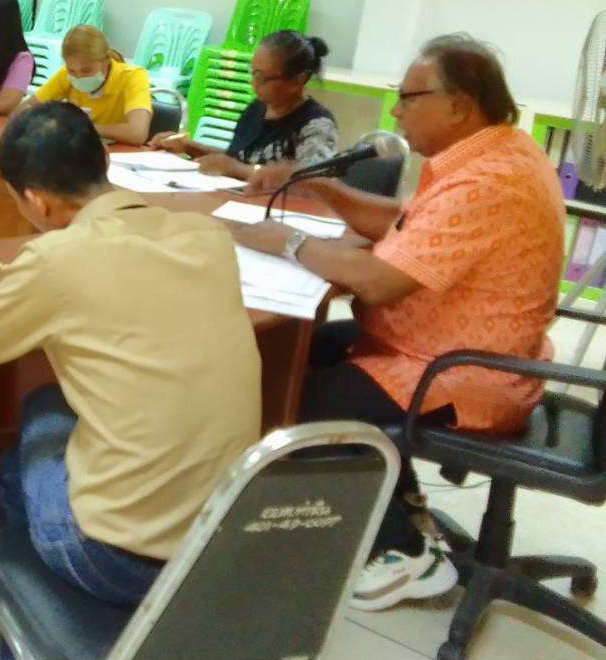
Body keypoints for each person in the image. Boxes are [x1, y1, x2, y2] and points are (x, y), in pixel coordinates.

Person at [0, 102, 261, 660]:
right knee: (45, 406)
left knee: (19, 457)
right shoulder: (207, 237)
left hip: (119, 561)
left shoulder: (58, 259)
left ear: (37, 201)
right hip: (220, 549)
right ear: (102, 160)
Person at [235, 34, 563, 611]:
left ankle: (405, 554)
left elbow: (380, 281)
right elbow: (402, 224)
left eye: (408, 98)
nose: (395, 112)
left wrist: (290, 241)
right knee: (290, 353)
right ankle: (399, 503)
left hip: (460, 370)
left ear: (458, 104)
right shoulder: (492, 153)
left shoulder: (488, 181)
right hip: (437, 344)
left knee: (290, 407)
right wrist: (319, 185)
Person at [151, 30, 337, 184]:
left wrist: (238, 170)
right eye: (253, 72)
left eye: (262, 77)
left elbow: (313, 183)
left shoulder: (316, 124)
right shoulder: (257, 108)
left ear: (297, 81)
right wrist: (188, 146)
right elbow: (239, 158)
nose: (253, 83)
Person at [31, 24, 152, 144]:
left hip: (119, 151)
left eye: (86, 71)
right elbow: (26, 109)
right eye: (72, 71)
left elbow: (137, 133)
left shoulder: (133, 77)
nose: (78, 77)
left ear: (106, 60)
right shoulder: (65, 75)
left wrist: (82, 128)